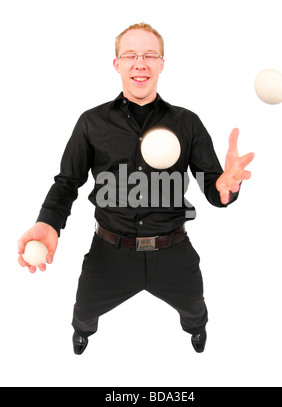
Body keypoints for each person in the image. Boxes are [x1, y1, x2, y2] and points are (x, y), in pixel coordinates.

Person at [17, 23, 254, 355]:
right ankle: (82, 333)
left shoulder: (187, 123)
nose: (139, 63)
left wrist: (228, 186)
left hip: (174, 252)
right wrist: (48, 222)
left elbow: (216, 189)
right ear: (117, 64)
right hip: (109, 253)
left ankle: (196, 331)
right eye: (130, 55)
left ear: (161, 64)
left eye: (149, 55)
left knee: (195, 308)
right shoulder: (91, 122)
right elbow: (67, 183)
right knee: (84, 310)